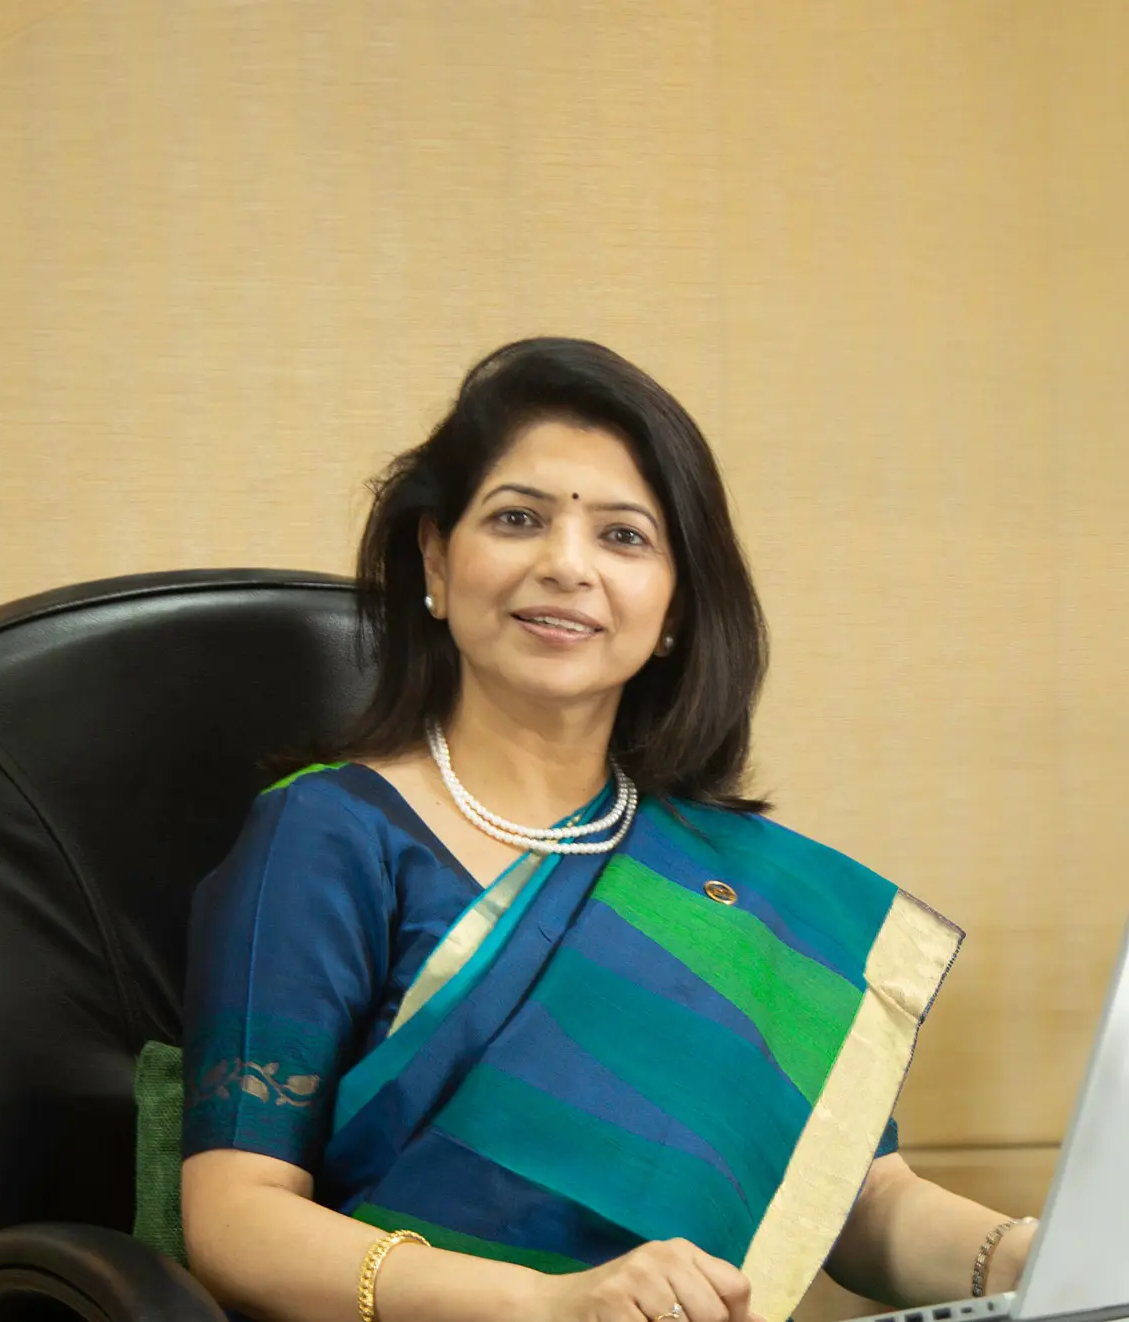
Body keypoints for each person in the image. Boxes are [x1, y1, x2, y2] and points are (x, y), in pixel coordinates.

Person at [180, 338, 1037, 1322]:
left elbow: (860, 1202)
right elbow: (236, 1218)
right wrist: (550, 1304)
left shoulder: (725, 881)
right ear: (437, 560)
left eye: (624, 536)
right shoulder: (329, 834)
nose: (565, 565)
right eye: (518, 518)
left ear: (674, 609)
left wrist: (1028, 1255)